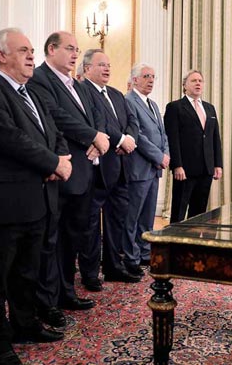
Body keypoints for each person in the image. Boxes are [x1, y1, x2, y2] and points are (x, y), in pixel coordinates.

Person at [0, 28, 71, 365]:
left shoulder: (34, 93)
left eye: (31, 51)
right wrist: (53, 162)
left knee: (26, 273)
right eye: (23, 50)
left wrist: (59, 159)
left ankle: (25, 325)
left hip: (37, 201)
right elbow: (10, 140)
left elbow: (53, 132)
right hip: (2, 205)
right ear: (1, 55)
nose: (31, 56)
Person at [27, 31, 104, 327]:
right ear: (51, 49)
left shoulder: (78, 84)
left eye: (77, 49)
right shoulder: (40, 78)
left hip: (85, 169)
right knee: (52, 241)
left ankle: (67, 292)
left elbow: (94, 115)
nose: (75, 54)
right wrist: (92, 136)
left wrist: (97, 138)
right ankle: (47, 300)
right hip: (61, 169)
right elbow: (55, 116)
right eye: (69, 49)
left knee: (74, 236)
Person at [81, 49, 142, 288]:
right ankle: (89, 273)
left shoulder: (117, 94)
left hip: (121, 166)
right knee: (92, 225)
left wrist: (130, 140)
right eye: (101, 65)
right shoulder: (83, 91)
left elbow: (132, 121)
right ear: (87, 69)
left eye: (108, 65)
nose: (107, 69)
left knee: (117, 221)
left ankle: (114, 267)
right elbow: (100, 123)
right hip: (98, 168)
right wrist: (120, 140)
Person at [124, 63, 170, 273]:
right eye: (146, 76)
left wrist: (166, 154)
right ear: (134, 80)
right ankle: (130, 257)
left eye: (153, 76)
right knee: (133, 216)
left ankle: (144, 253)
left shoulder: (152, 103)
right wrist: (158, 155)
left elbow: (162, 134)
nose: (151, 80)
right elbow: (138, 136)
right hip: (139, 168)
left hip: (154, 168)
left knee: (148, 215)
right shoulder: (129, 101)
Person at [164, 70, 223, 222]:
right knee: (179, 210)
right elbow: (172, 139)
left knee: (199, 212)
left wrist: (218, 164)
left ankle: (193, 241)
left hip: (206, 169)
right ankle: (174, 243)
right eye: (194, 81)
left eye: (200, 81)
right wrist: (177, 165)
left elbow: (215, 138)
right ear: (184, 85)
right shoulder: (175, 107)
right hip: (185, 169)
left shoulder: (210, 108)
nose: (198, 83)